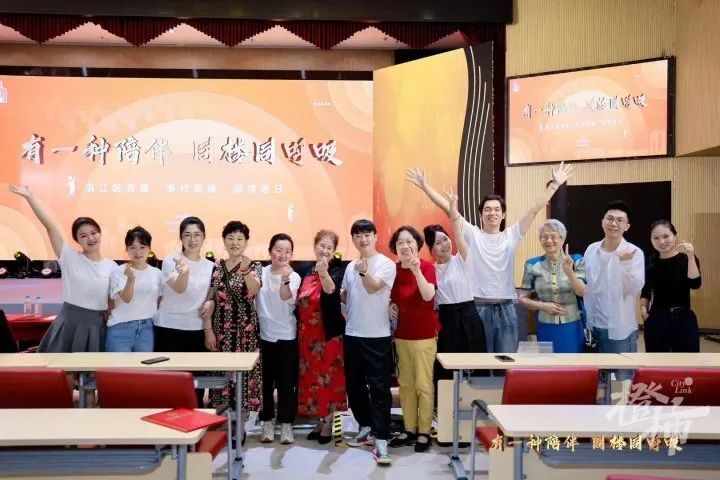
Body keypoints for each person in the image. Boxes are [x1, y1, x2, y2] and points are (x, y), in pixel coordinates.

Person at [405, 162, 573, 353]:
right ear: (481, 214)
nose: (492, 213)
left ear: (503, 214)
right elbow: (448, 209)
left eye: (496, 209)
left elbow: (534, 209)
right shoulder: (473, 234)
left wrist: (554, 184)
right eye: (487, 209)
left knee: (506, 360)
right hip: (477, 308)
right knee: (480, 362)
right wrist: (425, 186)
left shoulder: (512, 234)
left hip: (506, 307)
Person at [9, 185, 115, 353]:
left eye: (94, 233)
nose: (90, 238)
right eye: (83, 235)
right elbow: (50, 227)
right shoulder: (70, 257)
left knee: (93, 368)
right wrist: (30, 197)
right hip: (70, 323)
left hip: (97, 326)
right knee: (63, 367)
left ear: (100, 234)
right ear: (77, 240)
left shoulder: (112, 266)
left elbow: (111, 302)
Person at [341, 219, 396, 465]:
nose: (363, 239)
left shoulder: (386, 264)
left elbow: (373, 288)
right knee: (354, 387)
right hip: (353, 334)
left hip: (377, 336)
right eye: (358, 236)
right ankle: (366, 426)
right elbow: (345, 295)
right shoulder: (350, 266)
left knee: (380, 389)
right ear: (353, 239)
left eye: (367, 234)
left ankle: (381, 438)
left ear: (375, 236)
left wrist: (364, 272)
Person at [423, 188, 486, 388]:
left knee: (474, 365)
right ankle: (446, 403)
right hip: (447, 321)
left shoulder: (461, 259)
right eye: (438, 243)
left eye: (445, 239)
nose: (444, 244)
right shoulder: (431, 270)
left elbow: (459, 234)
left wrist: (452, 208)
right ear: (431, 249)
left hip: (469, 316)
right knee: (448, 367)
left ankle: (476, 400)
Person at [387, 225, 438, 453]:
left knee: (423, 385)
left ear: (417, 244)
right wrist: (389, 305)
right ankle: (409, 428)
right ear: (395, 247)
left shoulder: (426, 267)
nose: (405, 246)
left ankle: (424, 431)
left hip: (424, 336)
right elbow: (388, 297)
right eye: (400, 243)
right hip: (401, 336)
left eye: (409, 242)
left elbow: (428, 295)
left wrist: (417, 272)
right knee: (405, 385)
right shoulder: (393, 270)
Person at [205, 221, 263, 418]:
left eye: (240, 239)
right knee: (221, 375)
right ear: (224, 241)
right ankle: (223, 420)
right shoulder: (217, 266)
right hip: (220, 329)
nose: (235, 243)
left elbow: (254, 290)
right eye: (230, 238)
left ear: (246, 242)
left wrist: (246, 271)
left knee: (243, 377)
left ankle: (241, 423)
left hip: (245, 331)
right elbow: (210, 299)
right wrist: (208, 330)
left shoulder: (254, 265)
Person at [155, 216, 215, 405]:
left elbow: (211, 296)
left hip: (196, 330)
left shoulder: (211, 266)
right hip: (168, 328)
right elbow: (179, 288)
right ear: (180, 238)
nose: (192, 239)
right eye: (187, 235)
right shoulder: (170, 261)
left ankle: (196, 421)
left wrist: (211, 303)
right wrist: (185, 272)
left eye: (197, 235)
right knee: (169, 384)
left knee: (196, 386)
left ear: (204, 237)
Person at [296, 230, 347, 444]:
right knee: (313, 381)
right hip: (307, 338)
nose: (324, 250)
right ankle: (319, 419)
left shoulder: (337, 269)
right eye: (321, 246)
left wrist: (324, 273)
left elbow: (331, 290)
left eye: (329, 247)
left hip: (328, 336)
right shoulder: (306, 270)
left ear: (334, 251)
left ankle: (328, 422)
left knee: (329, 380)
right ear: (314, 246)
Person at [584, 201, 644, 380]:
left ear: (627, 226)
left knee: (622, 381)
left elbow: (634, 288)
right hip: (594, 325)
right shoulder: (591, 249)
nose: (614, 223)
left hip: (620, 328)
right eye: (610, 219)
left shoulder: (634, 252)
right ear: (602, 222)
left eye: (620, 220)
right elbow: (588, 286)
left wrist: (626, 264)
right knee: (597, 379)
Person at [256, 233, 301, 445]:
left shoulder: (294, 276)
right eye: (278, 250)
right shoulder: (260, 273)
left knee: (286, 383)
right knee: (265, 383)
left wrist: (285, 279)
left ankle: (286, 423)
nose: (283, 255)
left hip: (286, 336)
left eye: (287, 251)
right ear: (270, 251)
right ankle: (266, 421)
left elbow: (285, 296)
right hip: (264, 336)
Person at [518, 219, 586, 353]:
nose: (549, 240)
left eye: (554, 236)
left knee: (573, 363)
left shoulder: (577, 260)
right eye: (544, 237)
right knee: (548, 362)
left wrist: (570, 272)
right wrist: (543, 306)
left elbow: (581, 292)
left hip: (572, 324)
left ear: (562, 239)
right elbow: (522, 299)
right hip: (545, 325)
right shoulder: (532, 264)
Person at [640, 220, 701, 352]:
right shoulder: (651, 261)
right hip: (657, 318)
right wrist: (644, 312)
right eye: (656, 238)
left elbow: (695, 284)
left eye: (666, 236)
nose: (661, 241)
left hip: (683, 318)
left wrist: (691, 257)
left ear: (675, 236)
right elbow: (645, 290)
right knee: (656, 360)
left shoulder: (686, 259)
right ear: (651, 240)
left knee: (687, 360)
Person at [106, 226, 163, 352]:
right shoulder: (118, 271)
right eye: (133, 247)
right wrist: (131, 279)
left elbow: (159, 301)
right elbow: (126, 298)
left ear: (149, 248)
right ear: (127, 249)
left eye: (142, 247)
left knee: (143, 365)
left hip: (146, 329)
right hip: (121, 328)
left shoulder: (157, 273)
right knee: (118, 365)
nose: (138, 252)